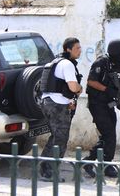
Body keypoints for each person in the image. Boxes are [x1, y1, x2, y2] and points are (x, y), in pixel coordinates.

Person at [83, 39, 120, 178]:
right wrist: (107, 90)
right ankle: (106, 165)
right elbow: (91, 81)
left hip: (109, 104)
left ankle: (89, 162)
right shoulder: (101, 62)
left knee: (108, 135)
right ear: (115, 51)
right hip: (97, 104)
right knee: (109, 135)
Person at [40, 37, 83, 180]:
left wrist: (69, 100)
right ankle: (49, 172)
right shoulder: (67, 64)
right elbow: (72, 86)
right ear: (68, 49)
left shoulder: (54, 63)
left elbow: (58, 87)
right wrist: (79, 88)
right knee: (60, 139)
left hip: (48, 102)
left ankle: (44, 168)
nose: (80, 50)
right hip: (57, 106)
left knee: (55, 137)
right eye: (77, 48)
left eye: (80, 47)